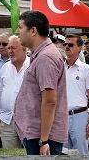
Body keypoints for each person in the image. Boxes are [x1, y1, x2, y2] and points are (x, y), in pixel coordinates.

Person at [13, 11, 68, 155]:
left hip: (42, 137)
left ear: (33, 31)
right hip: (38, 134)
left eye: (20, 27)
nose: (17, 32)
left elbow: (49, 101)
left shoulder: (46, 57)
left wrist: (44, 141)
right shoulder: (41, 54)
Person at [63, 35, 89, 155]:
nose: (67, 47)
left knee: (81, 153)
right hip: (62, 116)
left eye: (71, 45)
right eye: (65, 44)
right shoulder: (59, 68)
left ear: (80, 48)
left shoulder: (87, 69)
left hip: (80, 116)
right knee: (64, 153)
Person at [0, 36, 30, 149]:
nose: (10, 51)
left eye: (14, 48)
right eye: (9, 48)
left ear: (24, 49)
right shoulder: (5, 67)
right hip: (7, 121)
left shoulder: (33, 66)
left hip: (28, 122)